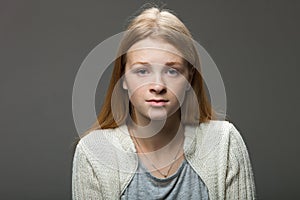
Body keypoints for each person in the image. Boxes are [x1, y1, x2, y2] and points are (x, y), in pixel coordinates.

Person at [72, 6, 256, 200]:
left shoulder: (224, 144)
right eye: (142, 71)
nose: (158, 86)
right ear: (123, 78)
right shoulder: (94, 153)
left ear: (189, 78)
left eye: (172, 71)